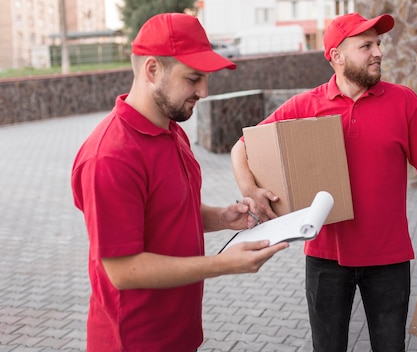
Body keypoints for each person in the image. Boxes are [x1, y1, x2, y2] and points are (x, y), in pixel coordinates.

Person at [231, 12, 417, 352]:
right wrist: (249, 189)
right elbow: (242, 145)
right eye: (366, 45)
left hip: (389, 260)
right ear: (336, 56)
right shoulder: (306, 105)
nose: (378, 53)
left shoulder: (404, 102)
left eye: (379, 44)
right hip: (326, 258)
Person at [71, 13, 288, 352]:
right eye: (193, 78)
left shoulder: (171, 131)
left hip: (179, 332)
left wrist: (221, 218)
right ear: (152, 70)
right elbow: (123, 270)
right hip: (134, 341)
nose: (203, 91)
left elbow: (165, 209)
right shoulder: (110, 157)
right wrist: (223, 264)